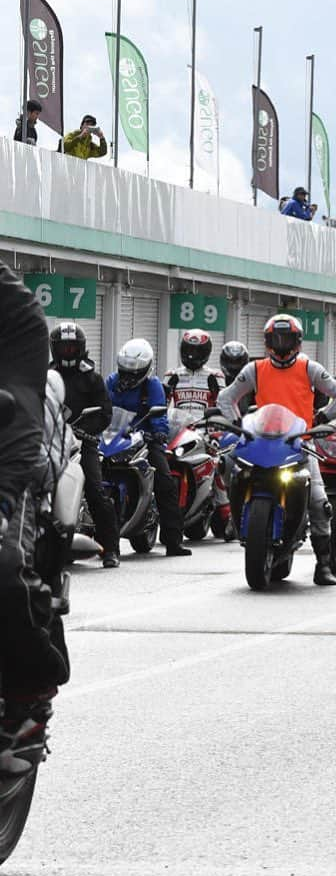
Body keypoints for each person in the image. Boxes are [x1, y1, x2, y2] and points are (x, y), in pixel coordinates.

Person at [217, 314, 336, 585]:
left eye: (286, 338)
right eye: (275, 339)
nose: (281, 344)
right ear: (267, 342)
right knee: (230, 467)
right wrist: (235, 424)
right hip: (261, 441)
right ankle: (234, 518)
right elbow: (226, 397)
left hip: (299, 442)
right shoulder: (255, 369)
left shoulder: (309, 368)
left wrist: (322, 418)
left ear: (298, 342)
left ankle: (323, 564)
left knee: (318, 501)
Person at [0, 263, 71, 756]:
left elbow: (22, 411)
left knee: (2, 562)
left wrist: (3, 498)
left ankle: (32, 688)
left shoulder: (14, 312)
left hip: (7, 448)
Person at [106, 339, 192, 558]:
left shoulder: (152, 385)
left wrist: (159, 432)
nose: (128, 377)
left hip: (145, 438)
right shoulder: (111, 381)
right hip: (114, 438)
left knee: (165, 481)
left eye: (133, 373)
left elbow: (159, 413)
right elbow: (103, 407)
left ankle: (173, 541)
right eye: (125, 371)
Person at [49, 322, 120, 568]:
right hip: (51, 441)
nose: (68, 352)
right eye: (63, 348)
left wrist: (85, 431)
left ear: (80, 349)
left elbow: (104, 413)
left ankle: (110, 549)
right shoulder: (47, 377)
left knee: (95, 491)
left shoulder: (91, 377)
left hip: (83, 442)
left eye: (72, 348)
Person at [164, 329, 224, 414]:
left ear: (206, 351)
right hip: (179, 425)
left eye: (197, 351)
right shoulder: (172, 375)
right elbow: (161, 406)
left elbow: (223, 405)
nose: (192, 354)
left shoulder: (215, 376)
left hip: (205, 425)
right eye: (188, 350)